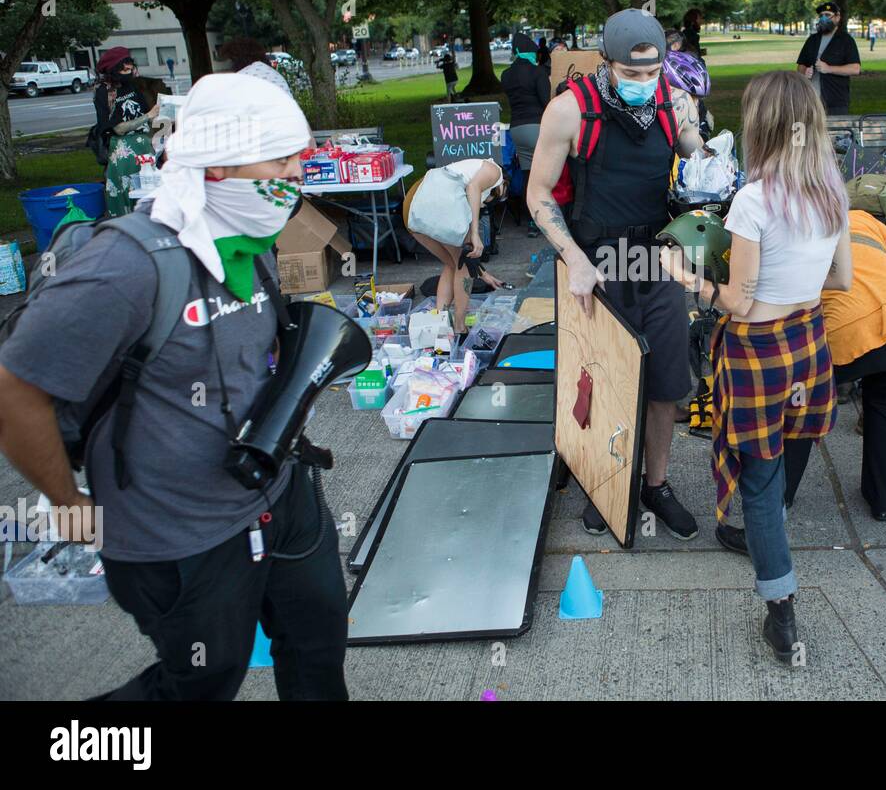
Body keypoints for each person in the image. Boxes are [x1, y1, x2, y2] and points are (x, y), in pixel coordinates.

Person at [0, 73, 349, 699]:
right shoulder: (127, 265)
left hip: (281, 498)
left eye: (299, 154)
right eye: (282, 157)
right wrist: (67, 502)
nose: (300, 170)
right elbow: (15, 389)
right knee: (201, 683)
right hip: (180, 536)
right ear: (214, 169)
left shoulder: (252, 236)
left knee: (319, 642)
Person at [659, 70, 851, 664]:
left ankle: (783, 613)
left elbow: (737, 301)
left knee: (761, 490)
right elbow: (840, 278)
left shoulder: (753, 199)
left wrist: (686, 276)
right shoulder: (832, 190)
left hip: (757, 348)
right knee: (787, 459)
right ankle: (778, 578)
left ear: (760, 125)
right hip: (808, 340)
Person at [527, 8, 708, 541]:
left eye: (652, 73)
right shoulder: (567, 111)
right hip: (597, 261)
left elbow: (701, 172)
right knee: (604, 382)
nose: (643, 84)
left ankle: (657, 483)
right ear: (606, 63)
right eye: (631, 75)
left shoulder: (676, 104)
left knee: (665, 383)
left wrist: (713, 170)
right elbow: (537, 195)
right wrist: (574, 259)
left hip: (659, 258)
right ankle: (609, 480)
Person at [782, 209, 886, 523]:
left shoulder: (795, 226)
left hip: (854, 329)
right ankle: (883, 501)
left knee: (802, 406)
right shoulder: (860, 218)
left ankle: (780, 499)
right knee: (884, 404)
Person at [403, 158, 508, 335]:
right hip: (438, 203)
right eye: (493, 197)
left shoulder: (463, 170)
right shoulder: (494, 171)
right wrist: (475, 233)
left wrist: (484, 274)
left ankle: (440, 321)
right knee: (464, 265)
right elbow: (473, 188)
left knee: (454, 264)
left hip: (414, 208)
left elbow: (462, 258)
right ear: (503, 185)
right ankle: (460, 326)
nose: (487, 201)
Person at [500, 32, 552, 238]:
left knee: (528, 176)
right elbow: (546, 102)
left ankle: (530, 220)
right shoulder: (537, 72)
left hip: (517, 130)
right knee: (544, 177)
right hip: (537, 127)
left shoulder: (506, 75)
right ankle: (543, 221)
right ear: (531, 52)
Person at [102, 51, 161, 218]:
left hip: (144, 147)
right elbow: (117, 128)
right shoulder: (107, 93)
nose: (129, 73)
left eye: (130, 69)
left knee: (150, 190)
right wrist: (148, 116)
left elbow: (146, 115)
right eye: (124, 70)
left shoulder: (133, 87)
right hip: (124, 152)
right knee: (128, 193)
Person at [795, 1, 862, 115]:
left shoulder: (846, 40)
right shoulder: (812, 40)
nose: (823, 18)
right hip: (811, 101)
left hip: (835, 102)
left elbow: (855, 69)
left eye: (827, 15)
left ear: (837, 18)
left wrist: (829, 68)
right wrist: (804, 72)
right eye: (821, 16)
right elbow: (801, 66)